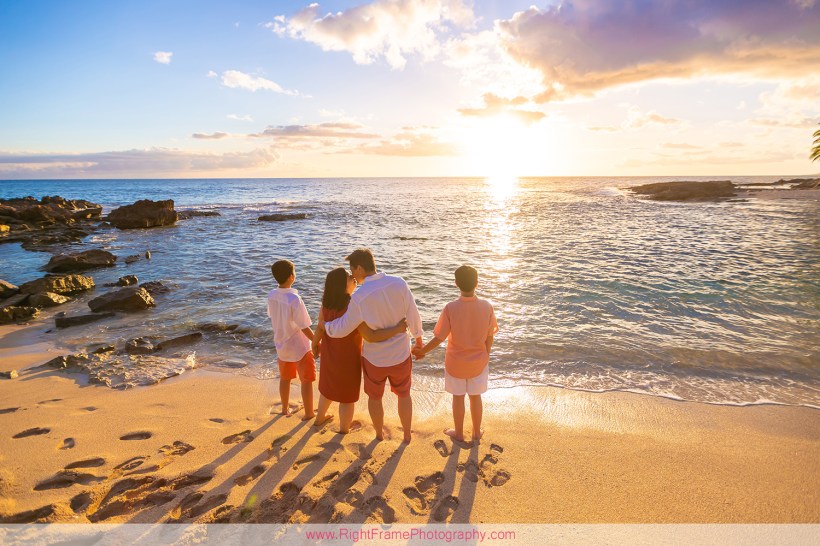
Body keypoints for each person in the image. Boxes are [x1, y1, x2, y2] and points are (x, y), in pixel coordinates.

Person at [320, 249, 423, 443]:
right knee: (404, 394)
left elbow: (343, 328)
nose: (352, 275)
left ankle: (378, 435)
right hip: (400, 355)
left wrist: (326, 326)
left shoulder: (359, 297)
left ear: (359, 267)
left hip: (375, 359)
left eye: (352, 270)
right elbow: (413, 313)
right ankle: (407, 435)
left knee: (375, 398)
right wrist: (418, 340)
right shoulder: (399, 283)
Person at [311, 267, 408, 433]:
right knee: (347, 397)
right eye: (349, 276)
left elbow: (320, 328)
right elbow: (370, 335)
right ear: (342, 285)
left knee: (328, 387)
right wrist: (397, 329)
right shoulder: (353, 307)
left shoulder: (326, 305)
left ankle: (319, 418)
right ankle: (343, 429)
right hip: (348, 357)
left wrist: (315, 346)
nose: (353, 277)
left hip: (329, 354)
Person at [413, 265, 498, 442]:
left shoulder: (451, 308)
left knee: (458, 398)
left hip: (455, 363)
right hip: (478, 362)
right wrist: (486, 355)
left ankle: (458, 433)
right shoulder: (487, 307)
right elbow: (490, 336)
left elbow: (439, 338)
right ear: (477, 283)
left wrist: (423, 351)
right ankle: (476, 433)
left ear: (456, 284)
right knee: (476, 398)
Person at [267, 259, 315, 420]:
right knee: (306, 380)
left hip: (282, 345)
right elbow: (304, 326)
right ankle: (309, 413)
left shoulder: (272, 295)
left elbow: (271, 315)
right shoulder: (295, 299)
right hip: (300, 347)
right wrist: (317, 342)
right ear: (291, 277)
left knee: (285, 378)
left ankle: (284, 408)